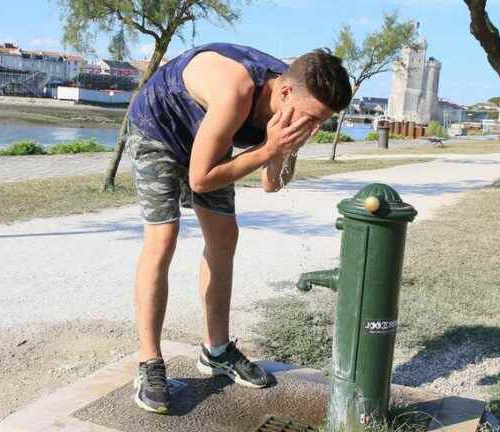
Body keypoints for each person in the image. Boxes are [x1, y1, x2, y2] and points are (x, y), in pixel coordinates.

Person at [127, 42, 352, 413]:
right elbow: (200, 179)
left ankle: (216, 351)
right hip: (160, 130)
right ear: (283, 91)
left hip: (210, 138)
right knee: (163, 238)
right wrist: (268, 149)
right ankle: (149, 363)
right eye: (310, 118)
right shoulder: (237, 91)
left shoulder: (294, 100)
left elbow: (271, 183)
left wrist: (285, 147)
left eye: (319, 121)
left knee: (224, 235)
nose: (312, 128)